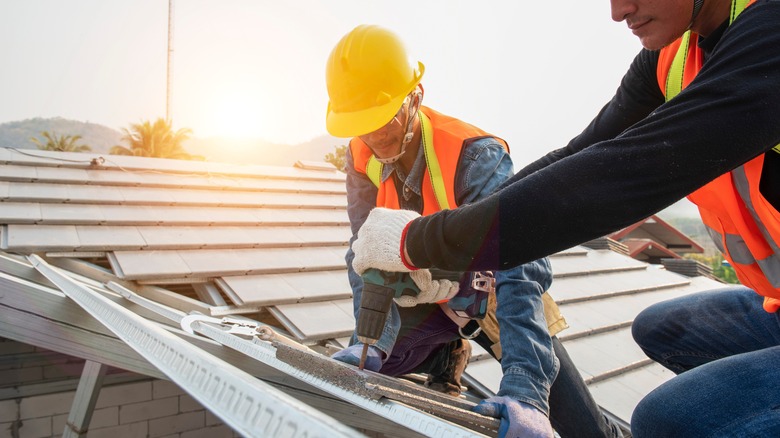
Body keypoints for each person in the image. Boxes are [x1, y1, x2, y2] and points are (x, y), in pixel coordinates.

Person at [349, 0, 780, 436]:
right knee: (661, 329)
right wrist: (439, 255)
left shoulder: (770, 33)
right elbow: (582, 154)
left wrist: (419, 241)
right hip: (776, 304)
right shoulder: (672, 57)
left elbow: (625, 174)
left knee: (665, 421)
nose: (617, 12)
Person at [326, 25, 624, 438]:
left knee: (581, 428)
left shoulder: (474, 156)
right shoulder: (361, 155)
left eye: (382, 119)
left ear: (416, 97)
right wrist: (368, 340)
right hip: (430, 294)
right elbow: (366, 252)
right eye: (362, 124)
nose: (374, 136)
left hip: (496, 293)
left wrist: (527, 389)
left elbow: (521, 268)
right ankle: (441, 355)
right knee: (373, 368)